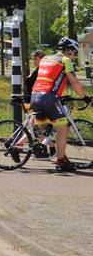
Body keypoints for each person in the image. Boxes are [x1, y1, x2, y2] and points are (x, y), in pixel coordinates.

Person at [26, 37, 89, 172]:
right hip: (49, 98)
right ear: (69, 50)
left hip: (35, 96)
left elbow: (47, 77)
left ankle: (24, 147)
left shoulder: (45, 59)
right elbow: (75, 82)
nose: (73, 55)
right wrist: (84, 97)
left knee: (45, 128)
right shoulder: (65, 60)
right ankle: (61, 162)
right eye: (74, 52)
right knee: (62, 129)